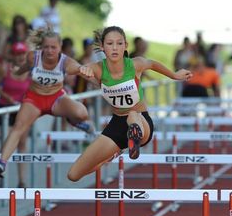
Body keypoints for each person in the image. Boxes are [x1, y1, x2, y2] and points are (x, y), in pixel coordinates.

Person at [67, 26, 192, 182]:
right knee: (73, 174)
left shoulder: (134, 65)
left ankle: (134, 136)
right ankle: (112, 155)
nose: (114, 48)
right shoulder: (97, 69)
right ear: (102, 47)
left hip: (141, 122)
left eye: (119, 43)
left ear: (125, 46)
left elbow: (152, 64)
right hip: (116, 125)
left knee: (132, 114)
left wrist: (174, 75)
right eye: (110, 43)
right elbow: (69, 66)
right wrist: (80, 68)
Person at [0, 27, 95, 178]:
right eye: (46, 47)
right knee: (18, 127)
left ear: (60, 48)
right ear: (41, 47)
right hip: (34, 100)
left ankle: (75, 122)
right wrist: (17, 72)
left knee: (82, 113)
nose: (50, 51)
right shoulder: (33, 57)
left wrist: (102, 83)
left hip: (56, 99)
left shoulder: (66, 62)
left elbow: (81, 70)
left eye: (53, 47)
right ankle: (1, 163)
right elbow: (26, 67)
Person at [0, 41, 30, 187]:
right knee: (7, 141)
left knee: (22, 143)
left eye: (23, 54)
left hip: (22, 109)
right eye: (18, 54)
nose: (20, 57)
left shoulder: (30, 70)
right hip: (5, 108)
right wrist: (6, 96)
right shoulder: (4, 69)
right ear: (13, 55)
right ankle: (1, 175)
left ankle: (22, 180)